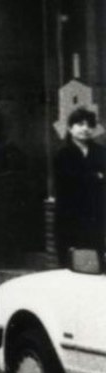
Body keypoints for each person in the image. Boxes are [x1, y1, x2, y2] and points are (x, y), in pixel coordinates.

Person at [52, 106, 106, 266]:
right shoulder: (63, 155)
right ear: (70, 128)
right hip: (70, 219)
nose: (85, 129)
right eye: (80, 124)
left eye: (89, 125)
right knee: (72, 265)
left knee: (96, 265)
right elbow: (68, 185)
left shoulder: (101, 152)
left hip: (97, 218)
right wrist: (96, 177)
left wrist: (88, 178)